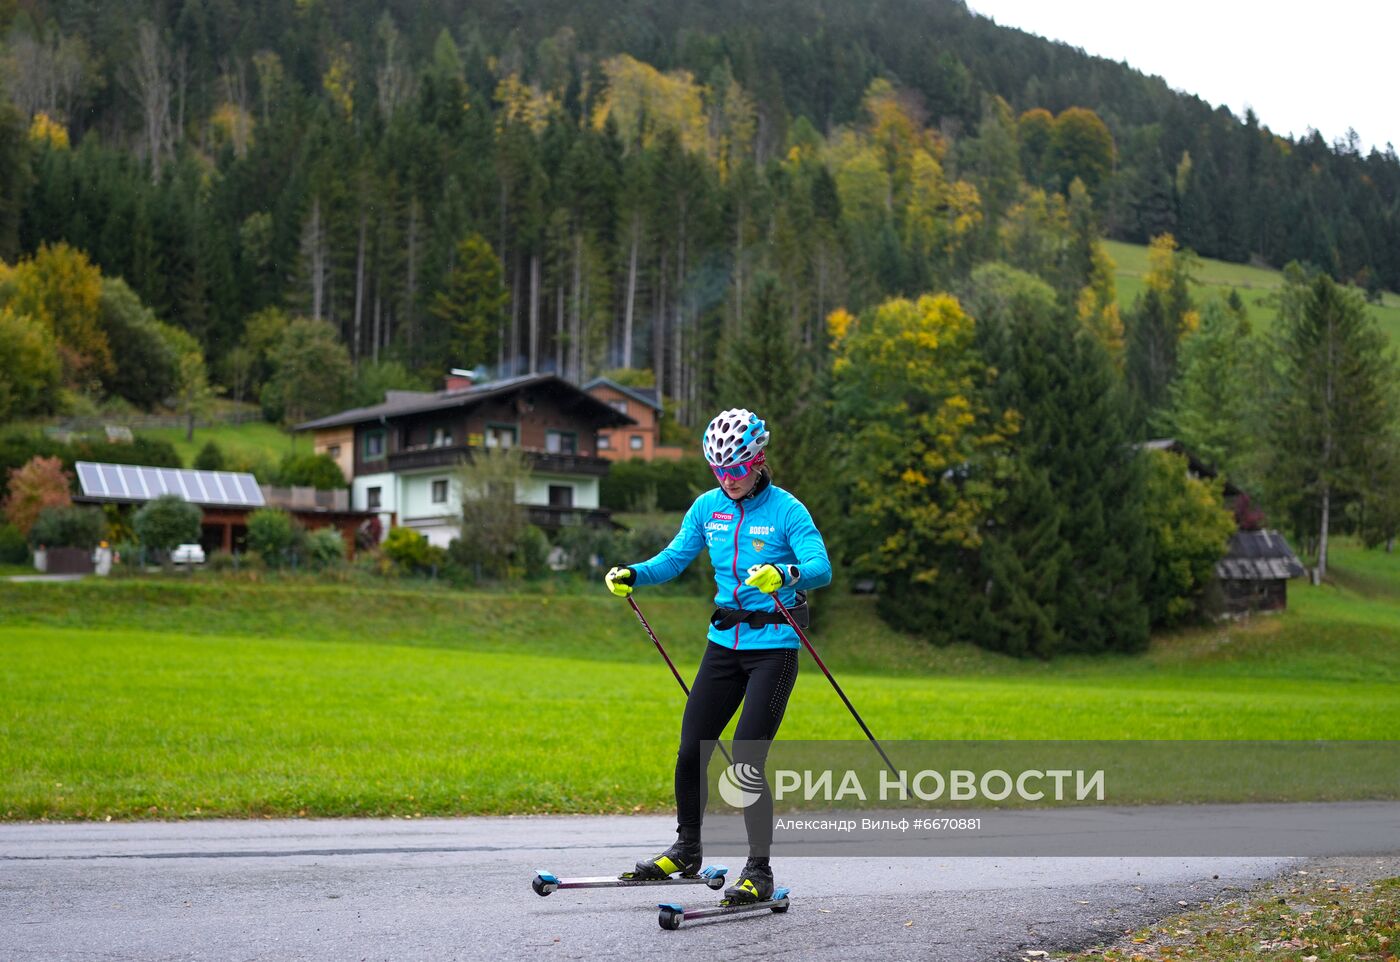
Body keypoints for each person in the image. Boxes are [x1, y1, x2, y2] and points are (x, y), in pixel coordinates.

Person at [604, 407, 831, 904]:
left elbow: (821, 566)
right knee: (692, 749)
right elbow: (673, 559)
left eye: (736, 468)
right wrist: (632, 573)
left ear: (758, 459)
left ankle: (759, 871)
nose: (728, 479)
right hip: (722, 646)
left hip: (773, 647)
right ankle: (687, 849)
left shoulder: (787, 510)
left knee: (747, 757)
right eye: (718, 470)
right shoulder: (707, 507)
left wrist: (786, 574)